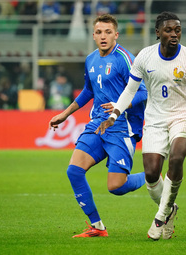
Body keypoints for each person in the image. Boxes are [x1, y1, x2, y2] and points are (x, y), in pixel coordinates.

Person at [95, 11, 186, 240]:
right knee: (151, 174)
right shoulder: (145, 57)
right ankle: (170, 209)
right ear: (158, 33)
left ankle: (160, 219)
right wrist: (114, 114)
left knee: (177, 157)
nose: (174, 34)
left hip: (182, 116)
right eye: (168, 30)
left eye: (177, 30)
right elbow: (130, 90)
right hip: (155, 119)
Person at [49, 14, 147, 238]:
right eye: (99, 32)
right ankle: (97, 227)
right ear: (93, 35)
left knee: (116, 187)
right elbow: (88, 92)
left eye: (108, 32)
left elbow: (143, 92)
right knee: (74, 171)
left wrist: (120, 106)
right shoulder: (91, 59)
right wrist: (64, 114)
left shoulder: (125, 59)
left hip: (122, 127)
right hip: (96, 124)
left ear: (116, 34)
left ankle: (152, 177)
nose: (103, 36)